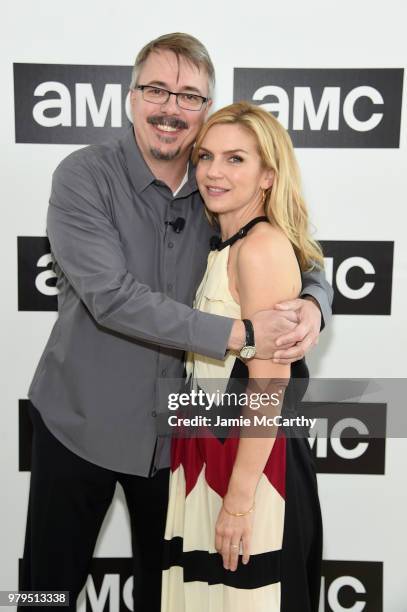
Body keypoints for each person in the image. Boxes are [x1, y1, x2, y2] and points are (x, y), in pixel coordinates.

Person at [19, 34, 332, 611]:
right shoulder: (83, 177)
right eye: (157, 89)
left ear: (206, 109)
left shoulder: (216, 182)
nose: (171, 108)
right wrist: (244, 336)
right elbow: (111, 297)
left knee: (169, 596)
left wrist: (314, 302)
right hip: (78, 423)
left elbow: (294, 253)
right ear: (131, 97)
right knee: (45, 587)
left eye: (189, 96)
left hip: (178, 445)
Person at [162, 102, 324, 612]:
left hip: (251, 468)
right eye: (206, 156)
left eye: (235, 159)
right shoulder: (224, 243)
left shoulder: (260, 249)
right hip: (210, 454)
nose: (212, 171)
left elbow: (268, 388)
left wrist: (237, 501)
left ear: (269, 175)